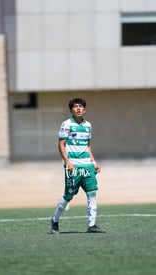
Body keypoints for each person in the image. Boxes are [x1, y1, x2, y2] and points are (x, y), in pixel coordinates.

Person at [50, 98, 105, 234]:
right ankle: (55, 220)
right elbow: (61, 144)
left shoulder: (88, 125)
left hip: (87, 165)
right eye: (75, 107)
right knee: (68, 196)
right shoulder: (66, 124)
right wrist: (67, 162)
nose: (78, 108)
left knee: (92, 193)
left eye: (81, 106)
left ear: (84, 109)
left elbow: (87, 146)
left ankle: (92, 225)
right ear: (71, 110)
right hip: (73, 166)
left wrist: (93, 162)